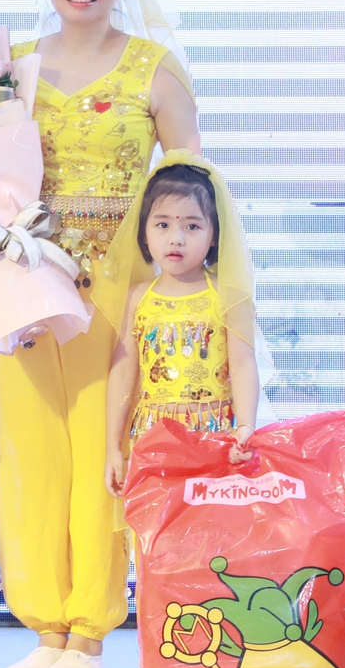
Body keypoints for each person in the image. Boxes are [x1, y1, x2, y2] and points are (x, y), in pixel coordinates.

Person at [0, 0, 263, 668]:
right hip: (25, 282)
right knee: (30, 451)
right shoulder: (7, 70)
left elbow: (192, 187)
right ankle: (45, 624)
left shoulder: (154, 69)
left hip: (120, 292)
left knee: (105, 456)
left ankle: (91, 633)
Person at [105, 158, 276, 497]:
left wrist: (245, 426)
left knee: (213, 526)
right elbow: (123, 372)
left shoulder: (227, 295)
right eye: (163, 224)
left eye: (193, 226)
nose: (176, 239)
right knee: (155, 526)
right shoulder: (138, 297)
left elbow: (243, 365)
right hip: (152, 438)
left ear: (214, 236)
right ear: (144, 232)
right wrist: (112, 447)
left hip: (215, 436)